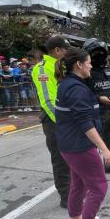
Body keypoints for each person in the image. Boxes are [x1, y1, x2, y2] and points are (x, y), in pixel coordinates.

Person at [54, 47, 110, 219]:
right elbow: (84, 122)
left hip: (68, 143)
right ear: (79, 65)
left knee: (78, 184)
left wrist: (97, 99)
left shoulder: (68, 83)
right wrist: (104, 148)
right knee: (99, 186)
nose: (91, 65)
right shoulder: (76, 87)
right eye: (88, 62)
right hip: (79, 145)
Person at [32, 36, 71, 208]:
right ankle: (66, 196)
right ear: (57, 50)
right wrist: (64, 121)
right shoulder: (42, 68)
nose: (67, 52)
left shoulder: (61, 65)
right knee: (61, 159)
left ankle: (74, 191)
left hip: (67, 118)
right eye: (66, 49)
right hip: (55, 120)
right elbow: (48, 101)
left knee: (73, 157)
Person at [83, 38, 110, 174]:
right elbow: (84, 94)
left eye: (101, 53)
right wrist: (99, 98)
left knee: (108, 138)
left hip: (109, 111)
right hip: (94, 114)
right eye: (95, 54)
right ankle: (92, 169)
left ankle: (108, 165)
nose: (99, 56)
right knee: (92, 141)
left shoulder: (109, 72)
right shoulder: (86, 73)